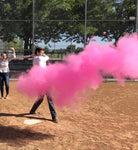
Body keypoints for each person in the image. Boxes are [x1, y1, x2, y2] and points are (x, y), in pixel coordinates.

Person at [29, 47, 58, 123]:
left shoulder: (36, 58)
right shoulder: (39, 59)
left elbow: (45, 57)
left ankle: (32, 110)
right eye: (41, 53)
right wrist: (44, 54)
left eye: (42, 53)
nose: (42, 54)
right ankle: (54, 117)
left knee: (41, 98)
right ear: (37, 53)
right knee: (49, 98)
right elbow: (47, 57)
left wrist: (41, 54)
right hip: (42, 81)